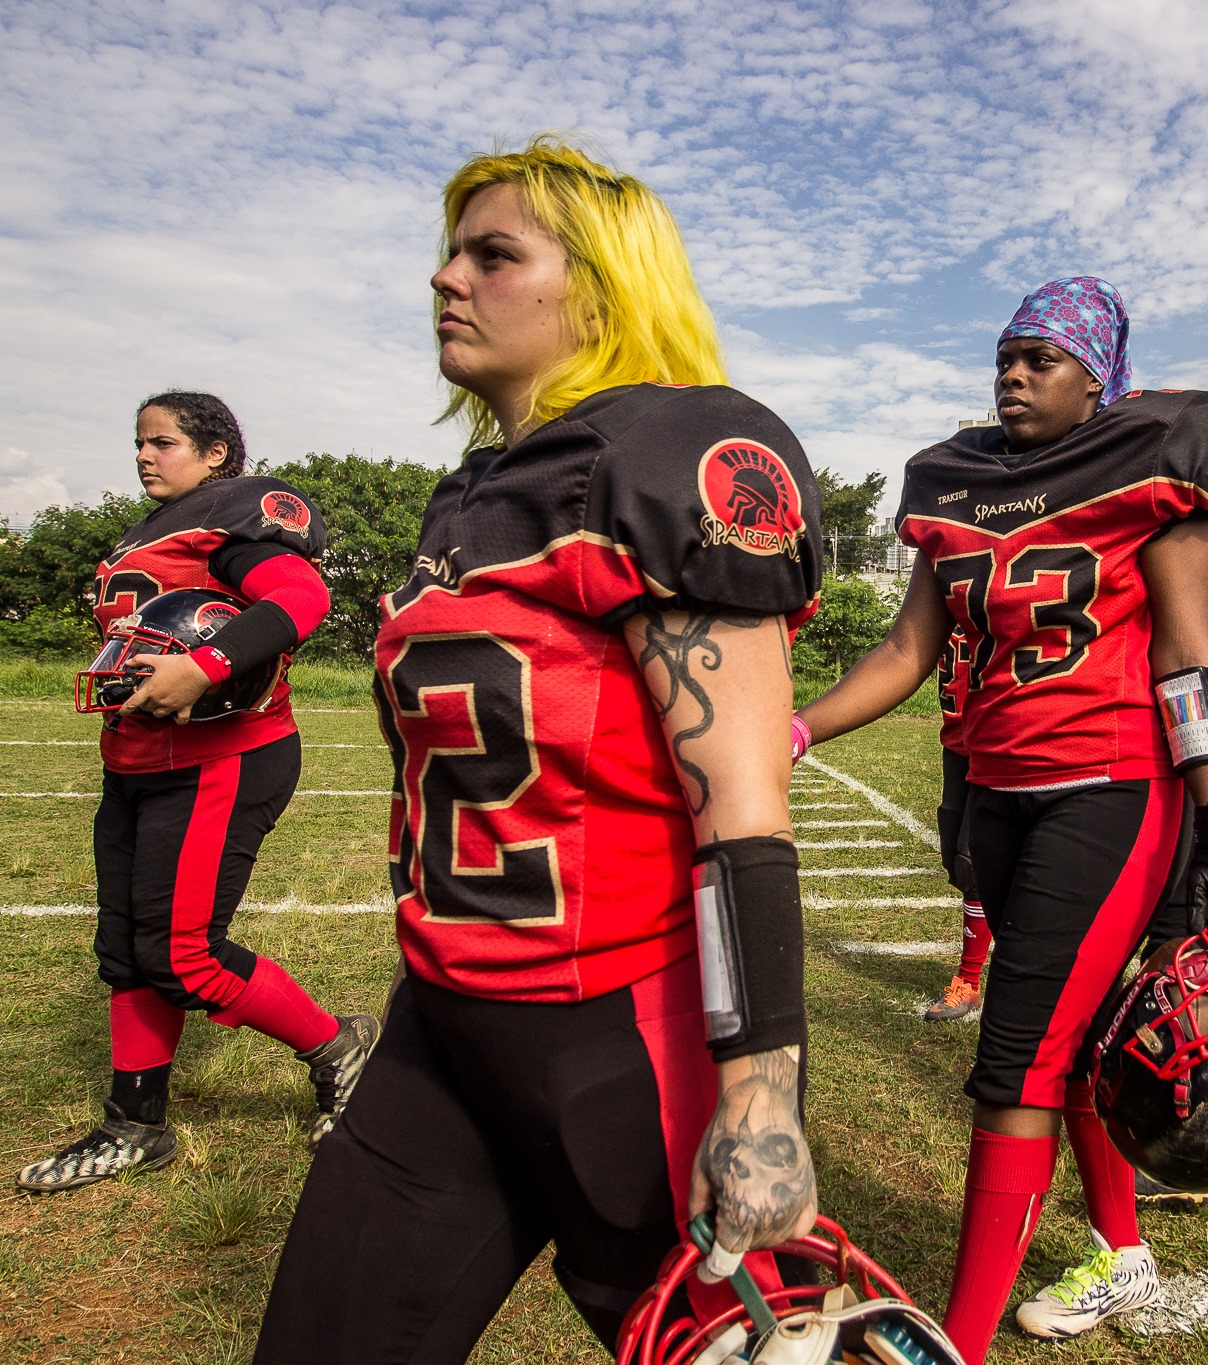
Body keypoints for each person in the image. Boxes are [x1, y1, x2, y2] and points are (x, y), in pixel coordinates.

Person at [254, 138, 824, 1361]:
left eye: (493, 253)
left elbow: (741, 799)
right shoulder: (473, 491)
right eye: (449, 252)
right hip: (444, 1021)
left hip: (616, 1036)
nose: (446, 279)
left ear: (603, 290)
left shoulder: (673, 451)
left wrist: (761, 1094)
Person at [794, 276, 1208, 1361]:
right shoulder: (953, 481)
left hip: (1108, 789)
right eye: (1003, 354)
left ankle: (954, 1343)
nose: (1010, 373)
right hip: (998, 789)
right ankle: (1123, 1252)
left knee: (1014, 1069)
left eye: (1038, 358)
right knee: (1079, 1043)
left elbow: (1189, 656)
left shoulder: (1156, 462)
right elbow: (908, 652)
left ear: (1098, 377)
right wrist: (796, 731)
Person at [17, 392, 374, 1195]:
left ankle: (339, 1043)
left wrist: (206, 667)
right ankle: (134, 1123)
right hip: (138, 756)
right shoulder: (144, 532)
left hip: (223, 756)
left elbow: (303, 599)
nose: (143, 454)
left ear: (217, 454)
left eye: (163, 441)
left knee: (184, 954)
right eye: (138, 442)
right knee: (127, 949)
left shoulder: (229, 519)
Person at [925, 626, 990, 1020]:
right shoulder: (945, 584)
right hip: (956, 744)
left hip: (998, 745)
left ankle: (968, 979)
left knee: (974, 861)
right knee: (957, 857)